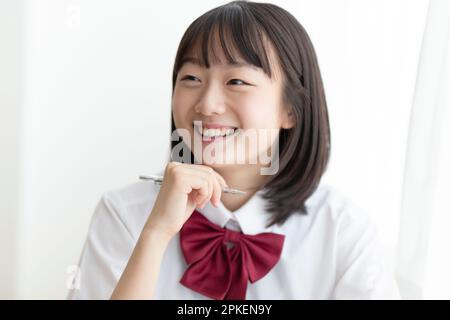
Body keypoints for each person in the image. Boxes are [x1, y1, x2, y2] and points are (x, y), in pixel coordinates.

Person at [67, 0, 400, 300]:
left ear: (292, 110)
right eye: (191, 78)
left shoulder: (342, 230)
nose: (207, 105)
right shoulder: (124, 213)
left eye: (237, 81)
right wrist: (154, 236)